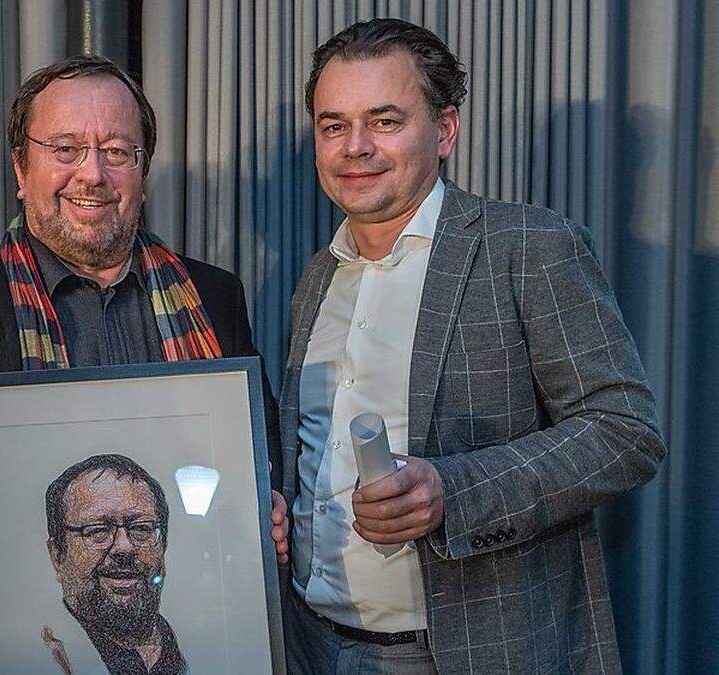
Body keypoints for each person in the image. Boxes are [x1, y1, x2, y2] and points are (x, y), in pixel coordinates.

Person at [277, 18, 666, 674]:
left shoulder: (529, 247)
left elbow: (626, 433)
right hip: (309, 642)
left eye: (386, 121)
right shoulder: (319, 275)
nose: (355, 147)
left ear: (446, 130)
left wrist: (450, 490)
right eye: (334, 125)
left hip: (465, 653)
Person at [0, 54, 281, 672]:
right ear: (21, 167)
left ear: (143, 172)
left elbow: (258, 460)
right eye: (65, 148)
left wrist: (264, 507)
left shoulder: (215, 297)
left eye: (118, 150)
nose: (91, 174)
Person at [41, 454, 185, 674]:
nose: (124, 547)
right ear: (57, 555)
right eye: (98, 530)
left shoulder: (208, 644)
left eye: (141, 528)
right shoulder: (30, 657)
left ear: (163, 545)